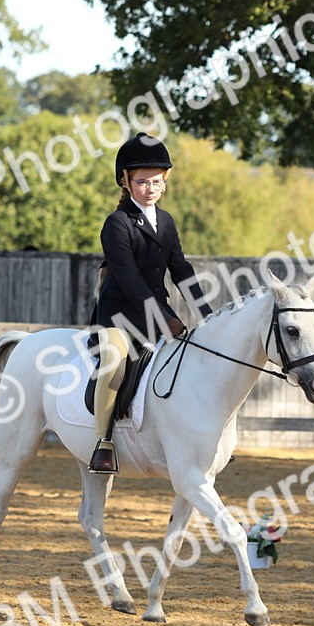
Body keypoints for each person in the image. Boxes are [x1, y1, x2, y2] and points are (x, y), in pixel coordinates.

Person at [87, 132, 214, 474]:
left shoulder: (167, 221)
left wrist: (207, 315)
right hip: (118, 318)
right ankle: (103, 441)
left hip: (156, 314)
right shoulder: (116, 223)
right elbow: (130, 280)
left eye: (156, 181)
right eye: (142, 182)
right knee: (114, 364)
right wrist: (166, 318)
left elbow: (181, 270)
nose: (150, 188)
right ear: (126, 182)